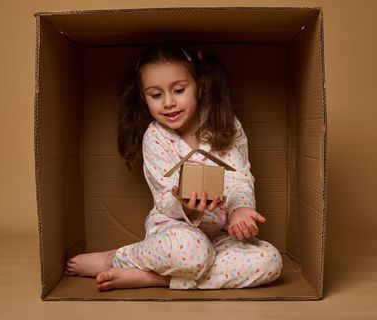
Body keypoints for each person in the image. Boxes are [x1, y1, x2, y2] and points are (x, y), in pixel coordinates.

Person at [65, 42, 283, 291]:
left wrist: (240, 211)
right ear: (143, 96)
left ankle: (155, 279)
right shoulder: (155, 137)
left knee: (270, 260)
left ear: (199, 85)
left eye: (178, 90)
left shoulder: (225, 125)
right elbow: (164, 197)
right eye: (156, 95)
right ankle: (116, 258)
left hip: (222, 237)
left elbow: (239, 178)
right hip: (176, 232)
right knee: (191, 251)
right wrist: (186, 207)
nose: (168, 102)